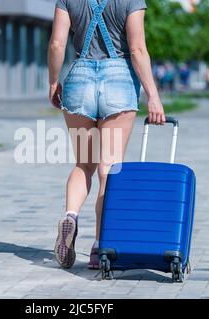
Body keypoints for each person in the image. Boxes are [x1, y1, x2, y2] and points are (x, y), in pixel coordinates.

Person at [48, 0, 165, 269]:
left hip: (79, 80)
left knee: (83, 164)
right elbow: (136, 49)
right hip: (119, 81)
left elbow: (57, 43)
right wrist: (153, 96)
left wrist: (54, 81)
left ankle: (71, 216)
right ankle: (100, 246)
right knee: (108, 168)